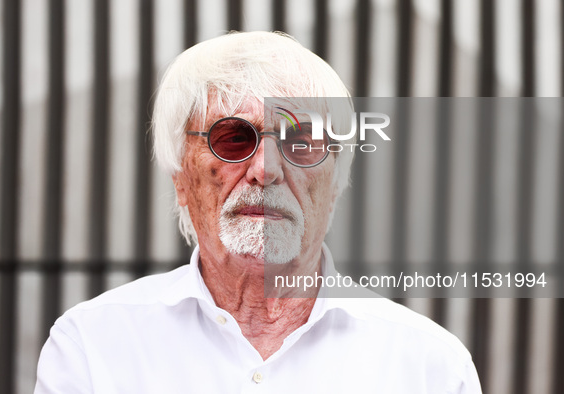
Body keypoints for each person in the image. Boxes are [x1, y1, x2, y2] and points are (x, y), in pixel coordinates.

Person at [35, 31, 482, 393]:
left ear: (335, 184)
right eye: (232, 139)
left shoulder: (431, 367)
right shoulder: (92, 346)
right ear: (181, 178)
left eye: (301, 143)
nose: (266, 170)